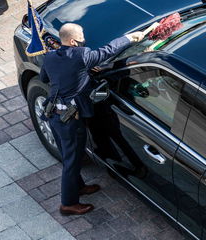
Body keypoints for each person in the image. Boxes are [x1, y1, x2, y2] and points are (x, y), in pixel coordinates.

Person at [40, 23, 144, 215]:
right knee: (73, 161)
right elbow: (109, 50)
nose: (84, 40)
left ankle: (77, 187)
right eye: (81, 36)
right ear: (73, 41)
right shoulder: (81, 55)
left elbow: (45, 78)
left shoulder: (50, 57)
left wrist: (76, 75)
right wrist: (131, 38)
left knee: (67, 156)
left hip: (53, 114)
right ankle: (68, 204)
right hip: (70, 119)